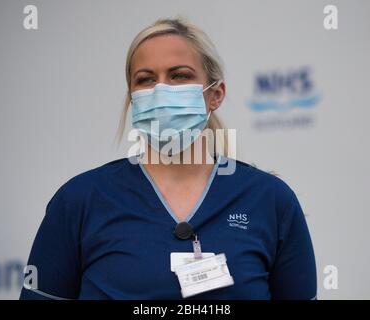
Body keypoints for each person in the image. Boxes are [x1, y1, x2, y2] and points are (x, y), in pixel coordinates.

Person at [20, 17, 317, 300]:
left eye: (179, 75)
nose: (161, 90)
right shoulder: (79, 201)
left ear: (215, 94)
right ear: (132, 99)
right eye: (146, 79)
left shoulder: (270, 201)